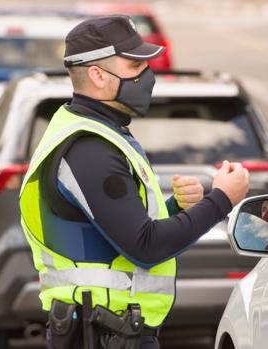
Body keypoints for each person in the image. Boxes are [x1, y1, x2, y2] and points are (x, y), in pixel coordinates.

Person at [18, 15, 250, 349]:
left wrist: (176, 207)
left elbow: (106, 232)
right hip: (102, 333)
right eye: (134, 66)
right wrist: (223, 200)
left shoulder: (96, 130)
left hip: (107, 328)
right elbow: (146, 246)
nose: (147, 75)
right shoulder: (90, 148)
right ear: (97, 75)